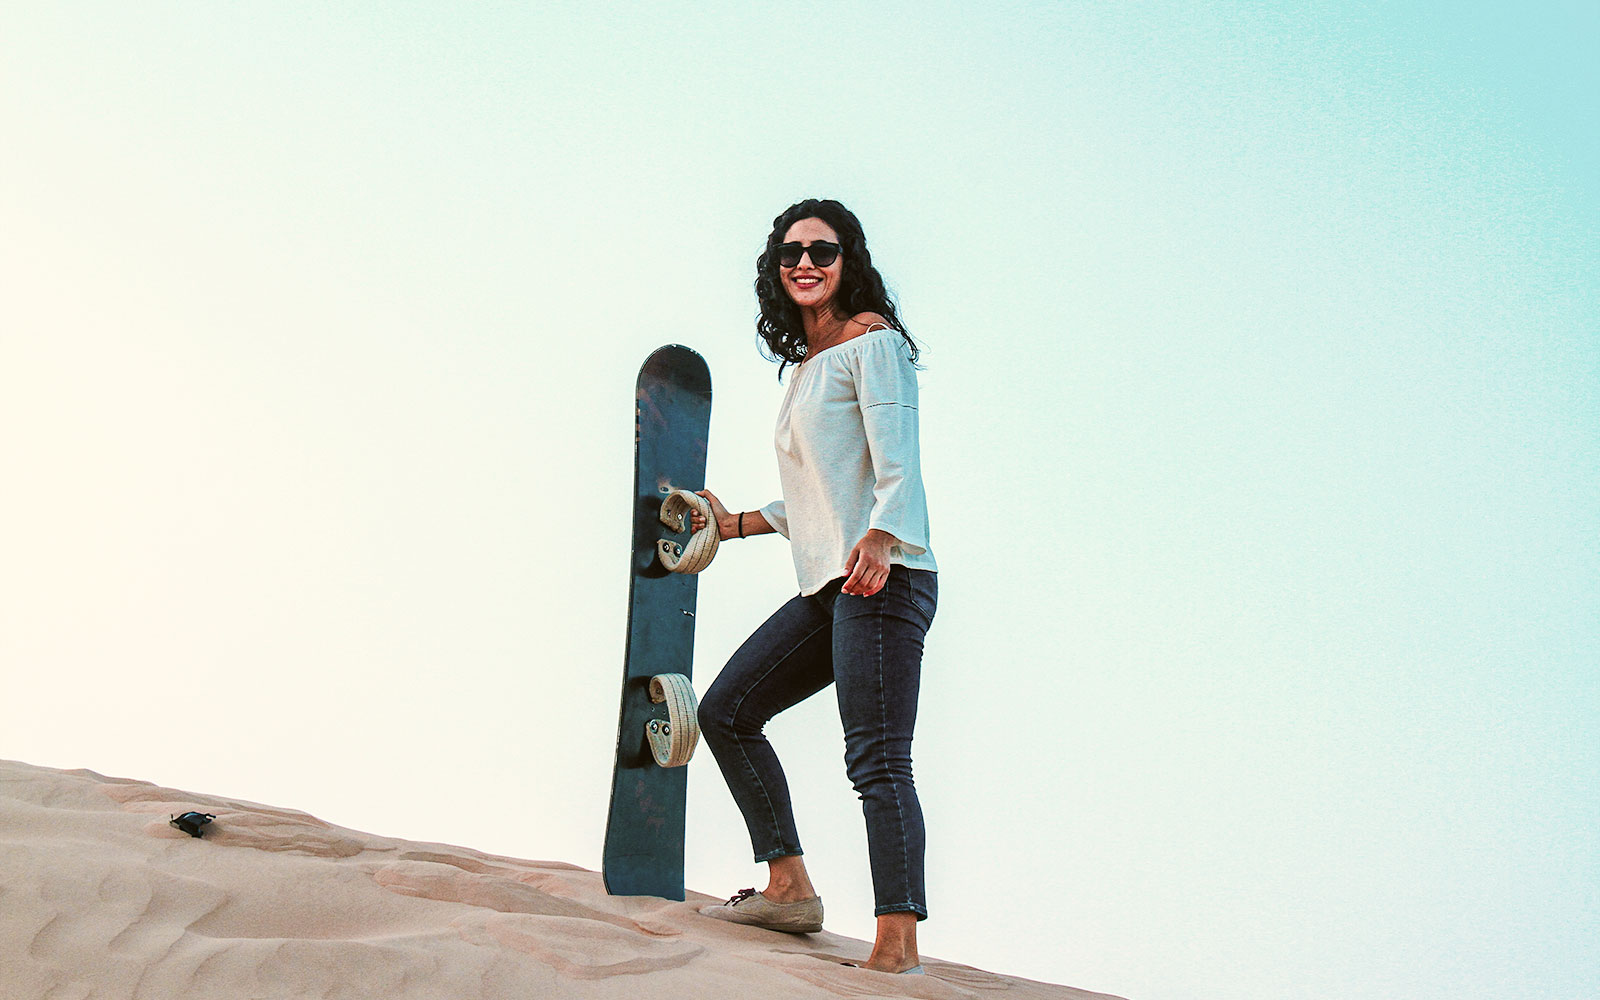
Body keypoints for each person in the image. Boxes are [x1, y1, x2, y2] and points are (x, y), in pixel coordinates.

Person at [693, 198, 938, 976]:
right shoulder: (807, 367)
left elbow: (897, 457)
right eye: (791, 253)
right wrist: (735, 525)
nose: (805, 263)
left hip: (885, 576)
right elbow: (822, 492)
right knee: (727, 711)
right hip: (833, 581)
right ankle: (789, 887)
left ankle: (896, 949)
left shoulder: (872, 341)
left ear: (847, 261)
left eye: (822, 251)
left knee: (876, 759)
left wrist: (884, 535)